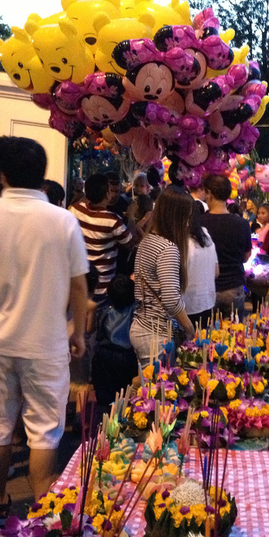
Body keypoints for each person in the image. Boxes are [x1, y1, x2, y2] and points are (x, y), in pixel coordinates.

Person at [0, 136, 89, 523]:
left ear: (1, 173)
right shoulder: (63, 220)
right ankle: (43, 507)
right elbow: (79, 286)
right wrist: (78, 332)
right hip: (46, 343)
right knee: (44, 430)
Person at [130, 186, 194, 366]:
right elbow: (171, 299)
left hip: (141, 325)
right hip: (155, 333)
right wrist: (189, 328)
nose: (188, 223)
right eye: (186, 217)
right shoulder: (167, 249)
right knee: (158, 391)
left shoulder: (148, 240)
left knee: (147, 387)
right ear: (176, 217)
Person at [69, 173, 134, 304]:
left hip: (79, 280)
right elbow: (130, 244)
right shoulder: (112, 221)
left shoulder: (75, 210)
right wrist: (132, 215)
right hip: (103, 286)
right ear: (107, 194)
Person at [200, 175, 252, 319]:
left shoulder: (200, 223)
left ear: (209, 193)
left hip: (207, 288)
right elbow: (246, 257)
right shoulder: (242, 224)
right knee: (233, 337)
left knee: (205, 336)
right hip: (234, 287)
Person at [91, 275, 137, 412]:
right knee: (126, 396)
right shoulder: (135, 312)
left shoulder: (105, 311)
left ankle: (103, 424)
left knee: (105, 397)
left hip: (103, 357)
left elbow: (99, 334)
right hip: (126, 358)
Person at [183, 205, 219, 329]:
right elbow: (216, 272)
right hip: (207, 302)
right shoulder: (207, 237)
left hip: (187, 306)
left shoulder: (183, 241)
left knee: (188, 347)